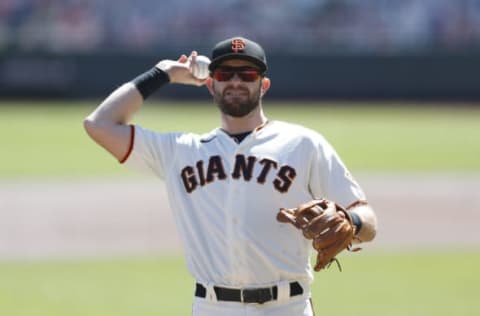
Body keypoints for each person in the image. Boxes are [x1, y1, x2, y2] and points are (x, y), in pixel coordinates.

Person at [84, 36, 377, 316]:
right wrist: (164, 73)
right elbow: (99, 125)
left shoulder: (303, 143)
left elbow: (367, 219)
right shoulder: (181, 150)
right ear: (211, 85)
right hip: (214, 307)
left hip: (288, 307)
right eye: (225, 73)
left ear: (263, 85)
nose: (236, 81)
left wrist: (351, 221)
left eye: (247, 74)